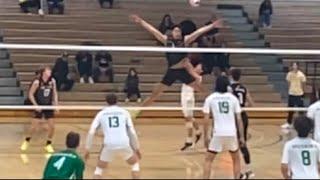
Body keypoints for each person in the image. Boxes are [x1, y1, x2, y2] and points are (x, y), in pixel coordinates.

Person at [130, 14, 223, 107]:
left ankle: (218, 106)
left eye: (179, 31)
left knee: (202, 90)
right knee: (155, 94)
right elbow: (154, 31)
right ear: (172, 32)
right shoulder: (167, 41)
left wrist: (212, 26)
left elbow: (198, 33)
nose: (177, 33)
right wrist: (141, 21)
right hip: (171, 71)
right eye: (175, 31)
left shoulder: (185, 40)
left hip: (183, 71)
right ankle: (139, 110)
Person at [84, 94, 141, 179]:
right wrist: (137, 148)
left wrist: (87, 149)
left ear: (106, 101)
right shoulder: (124, 112)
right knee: (134, 164)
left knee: (99, 169)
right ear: (117, 101)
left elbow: (91, 131)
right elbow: (131, 131)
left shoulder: (101, 113)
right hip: (124, 142)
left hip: (109, 144)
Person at [203, 76, 245, 179]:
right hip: (231, 133)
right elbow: (239, 120)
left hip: (218, 133)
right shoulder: (233, 98)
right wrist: (242, 137)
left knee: (208, 160)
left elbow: (206, 120)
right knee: (236, 159)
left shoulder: (210, 98)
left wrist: (206, 136)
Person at [20, 67, 59, 153]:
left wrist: (56, 105)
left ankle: (48, 144)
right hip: (39, 105)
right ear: (44, 72)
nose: (50, 72)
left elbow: (55, 93)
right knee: (33, 127)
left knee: (52, 127)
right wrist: (36, 105)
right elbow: (30, 94)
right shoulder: (37, 82)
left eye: (50, 71)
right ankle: (27, 141)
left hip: (48, 106)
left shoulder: (52, 81)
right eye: (48, 71)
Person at [230, 68, 255, 179]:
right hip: (243, 116)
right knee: (242, 142)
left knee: (233, 144)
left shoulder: (229, 88)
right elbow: (252, 104)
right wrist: (243, 104)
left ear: (231, 76)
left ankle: (237, 172)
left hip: (234, 117)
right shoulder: (244, 89)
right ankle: (249, 170)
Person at [180, 63, 202, 151]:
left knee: (188, 119)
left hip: (188, 99)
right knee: (189, 118)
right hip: (184, 97)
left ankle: (189, 141)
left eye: (199, 68)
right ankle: (198, 132)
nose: (197, 67)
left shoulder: (198, 77)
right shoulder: (190, 73)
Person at [282, 62, 306, 129]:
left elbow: (303, 84)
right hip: (291, 94)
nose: (294, 66)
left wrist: (303, 92)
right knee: (290, 110)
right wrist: (289, 91)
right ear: (292, 66)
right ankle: (289, 123)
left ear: (298, 66)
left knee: (301, 110)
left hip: (299, 94)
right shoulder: (289, 74)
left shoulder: (301, 75)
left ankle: (302, 123)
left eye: (295, 65)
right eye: (293, 65)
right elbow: (288, 83)